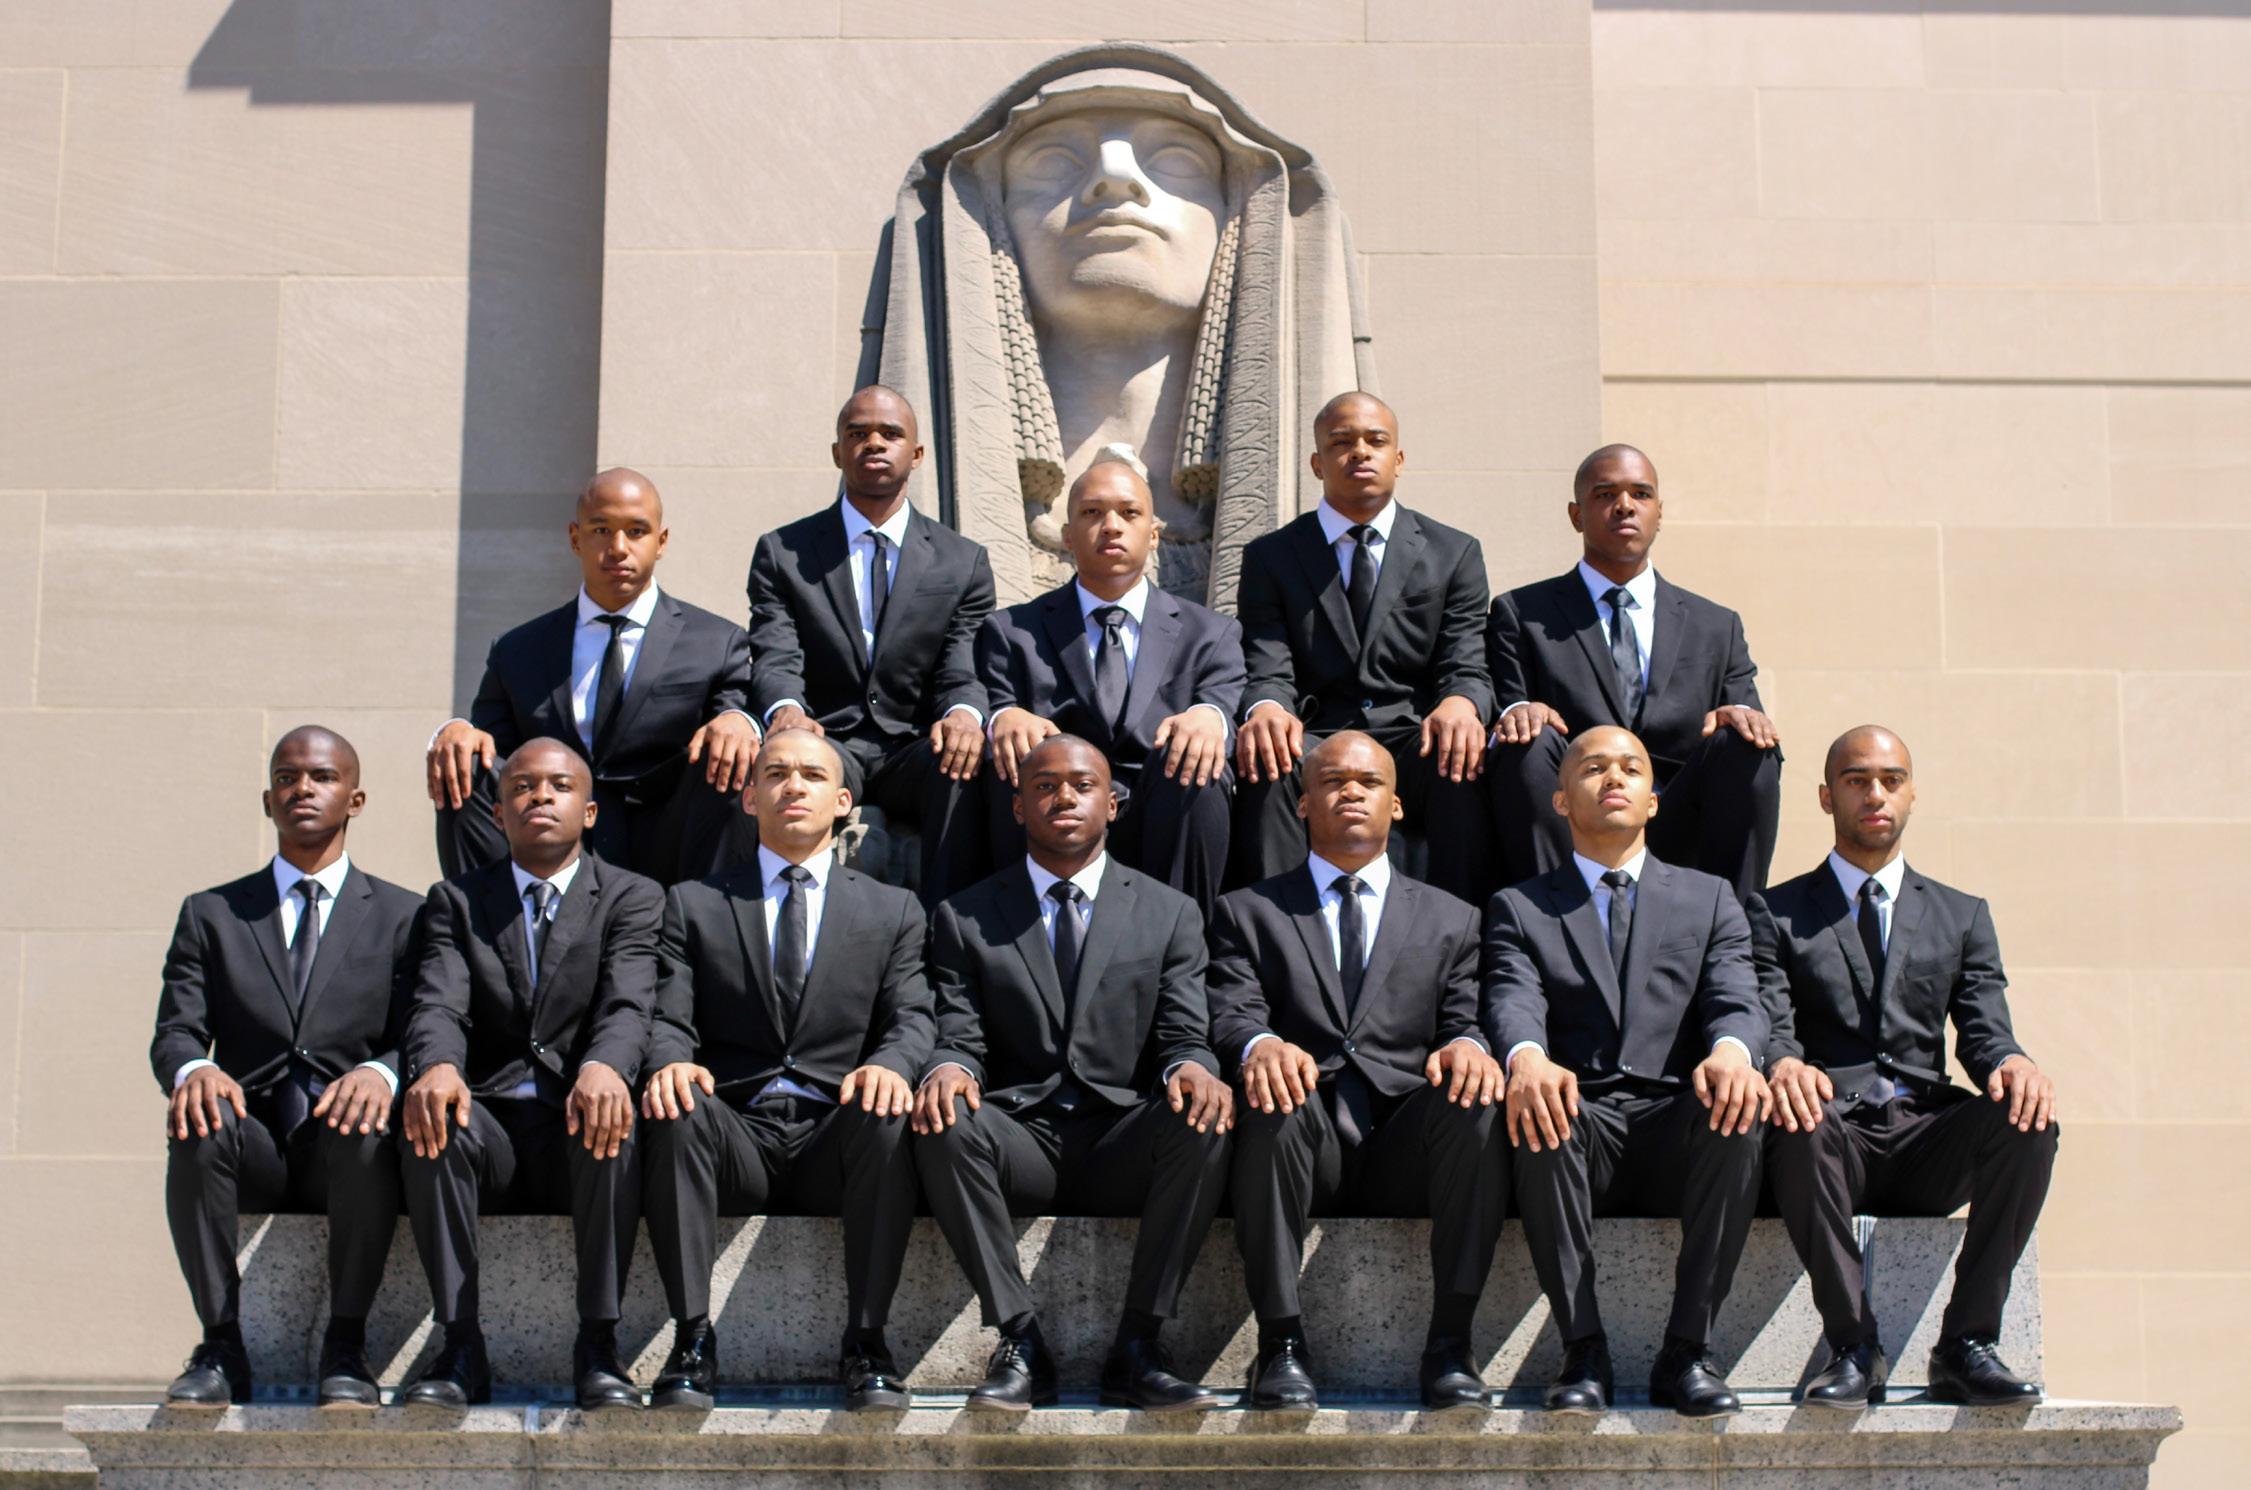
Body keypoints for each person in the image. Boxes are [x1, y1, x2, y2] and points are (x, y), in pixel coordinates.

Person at [912, 736, 1235, 1413]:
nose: (1064, 797)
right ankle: (1020, 1342)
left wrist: (1192, 1065)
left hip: (1122, 1135)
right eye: (1045, 786)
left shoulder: (1169, 911)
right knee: (944, 1118)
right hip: (1021, 1137)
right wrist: (949, 1067)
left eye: (1083, 785)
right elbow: (960, 1034)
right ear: (1018, 807)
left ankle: (1139, 1347)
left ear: (1112, 804)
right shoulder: (964, 916)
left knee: (1204, 1115)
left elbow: (1182, 1033)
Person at [1752, 725, 2058, 1409]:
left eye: (1890, 781)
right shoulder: (1773, 912)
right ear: (1826, 797)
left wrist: (2013, 1061)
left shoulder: (1961, 915)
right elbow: (1769, 1017)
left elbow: (1984, 1032)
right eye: (1857, 780)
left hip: (1924, 1137)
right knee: (1799, 1123)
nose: (1875, 794)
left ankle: (1966, 1344)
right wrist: (1783, 1063)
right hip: (1830, 1137)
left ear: (1911, 794)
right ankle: (1854, 1346)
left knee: (2027, 1121)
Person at [1208, 731, 1507, 1412]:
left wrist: (1467, 1045)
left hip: (1404, 1139)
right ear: (1302, 804)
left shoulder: (1452, 919)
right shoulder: (1246, 912)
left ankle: (1451, 1346)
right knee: (1273, 1099)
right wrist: (1260, 1044)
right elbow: (1232, 1011)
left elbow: (1464, 1018)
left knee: (1476, 1101)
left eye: (1369, 782)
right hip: (1303, 1138)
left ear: (1395, 805)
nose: (1351, 792)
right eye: (1333, 781)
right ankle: (1280, 1345)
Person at [638, 729, 934, 1412]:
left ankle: (868, 1342)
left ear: (843, 801)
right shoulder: (693, 903)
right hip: (736, 1131)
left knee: (888, 1113)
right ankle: (691, 1339)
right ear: (749, 798)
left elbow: (914, 1018)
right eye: (774, 774)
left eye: (810, 775)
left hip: (836, 1133)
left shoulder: (893, 909)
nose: (792, 786)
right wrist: (671, 1063)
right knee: (678, 1107)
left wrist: (891, 1066)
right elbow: (669, 1017)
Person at [1483, 726, 1771, 1418]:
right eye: (1593, 768)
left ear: (1653, 800)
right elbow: (1510, 998)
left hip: (1675, 1117)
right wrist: (1527, 1057)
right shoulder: (1519, 906)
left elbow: (1737, 996)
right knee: (1541, 1110)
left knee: (1737, 1110)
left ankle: (1689, 1351)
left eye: (1631, 769)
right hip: (1582, 1122)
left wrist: (1732, 1051)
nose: (1614, 778)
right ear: (1560, 800)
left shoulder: (1709, 898)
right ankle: (1583, 1349)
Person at [152, 727, 424, 1408]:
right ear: (267, 800)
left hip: (346, 1146)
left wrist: (382, 1073)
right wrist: (195, 1069)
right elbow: (176, 1032)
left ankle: (346, 1346)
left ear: (355, 799)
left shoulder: (406, 916)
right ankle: (220, 1344)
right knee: (197, 1122)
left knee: (365, 1127)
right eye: (286, 777)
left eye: (322, 776)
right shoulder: (212, 914)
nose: (303, 788)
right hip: (254, 1141)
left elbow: (426, 1032)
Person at [395, 738, 662, 1411]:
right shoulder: (457, 901)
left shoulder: (631, 896)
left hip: (575, 1117)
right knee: (433, 1121)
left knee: (613, 1119)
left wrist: (604, 1066)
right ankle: (459, 1345)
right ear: (497, 812)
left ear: (590, 811)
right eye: (522, 787)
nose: (540, 796)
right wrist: (438, 1067)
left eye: (559, 786)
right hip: (491, 1119)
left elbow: (628, 1002)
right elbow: (437, 1003)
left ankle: (598, 1344)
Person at [426, 467, 759, 885]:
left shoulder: (716, 642)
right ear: (575, 538)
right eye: (601, 530)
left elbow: (734, 719)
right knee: (461, 760)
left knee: (733, 751)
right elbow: (493, 748)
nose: (618, 548)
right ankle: (482, 914)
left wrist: (740, 719)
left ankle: (711, 918)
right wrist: (458, 731)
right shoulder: (518, 649)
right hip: (553, 831)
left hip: (667, 835)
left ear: (661, 541)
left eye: (636, 531)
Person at [1230, 392, 1493, 903]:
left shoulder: (1454, 552)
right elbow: (1267, 664)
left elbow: (1466, 660)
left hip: (1413, 736)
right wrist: (1268, 708)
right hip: (1314, 737)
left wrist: (1462, 703)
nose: (1360, 452)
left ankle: (1461, 932)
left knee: (1460, 755)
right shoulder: (1270, 557)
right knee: (1267, 755)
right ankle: (1271, 930)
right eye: (1341, 442)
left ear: (1399, 458)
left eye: (1376, 440)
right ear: (1317, 463)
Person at [1486, 444, 1780, 900]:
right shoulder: (1522, 614)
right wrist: (1521, 712)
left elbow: (1746, 716)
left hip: (1678, 813)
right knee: (1525, 737)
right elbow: (1510, 710)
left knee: (1748, 742)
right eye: (1605, 495)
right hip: (1574, 815)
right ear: (1576, 515)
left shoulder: (1715, 625)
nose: (1625, 505)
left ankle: (1735, 922)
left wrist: (1742, 717)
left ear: (1659, 512)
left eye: (1640, 494)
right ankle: (1549, 917)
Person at [746, 386, 995, 905]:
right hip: (825, 737)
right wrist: (787, 709)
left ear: (916, 454)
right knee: (777, 764)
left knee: (968, 761)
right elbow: (776, 649)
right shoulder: (783, 552)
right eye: (858, 434)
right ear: (837, 452)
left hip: (916, 744)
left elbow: (962, 663)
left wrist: (964, 714)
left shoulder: (962, 560)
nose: (874, 443)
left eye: (890, 433)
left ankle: (949, 932)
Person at [979, 458, 1243, 915]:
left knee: (1201, 763)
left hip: (1162, 805)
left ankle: (1186, 940)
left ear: (1154, 534)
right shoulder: (1012, 632)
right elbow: (992, 700)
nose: (1111, 526)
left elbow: (1224, 701)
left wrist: (1211, 718)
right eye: (1092, 512)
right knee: (1012, 755)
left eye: (1129, 512)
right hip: (1062, 806)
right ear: (1067, 535)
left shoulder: (1211, 633)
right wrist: (1004, 715)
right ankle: (1017, 929)